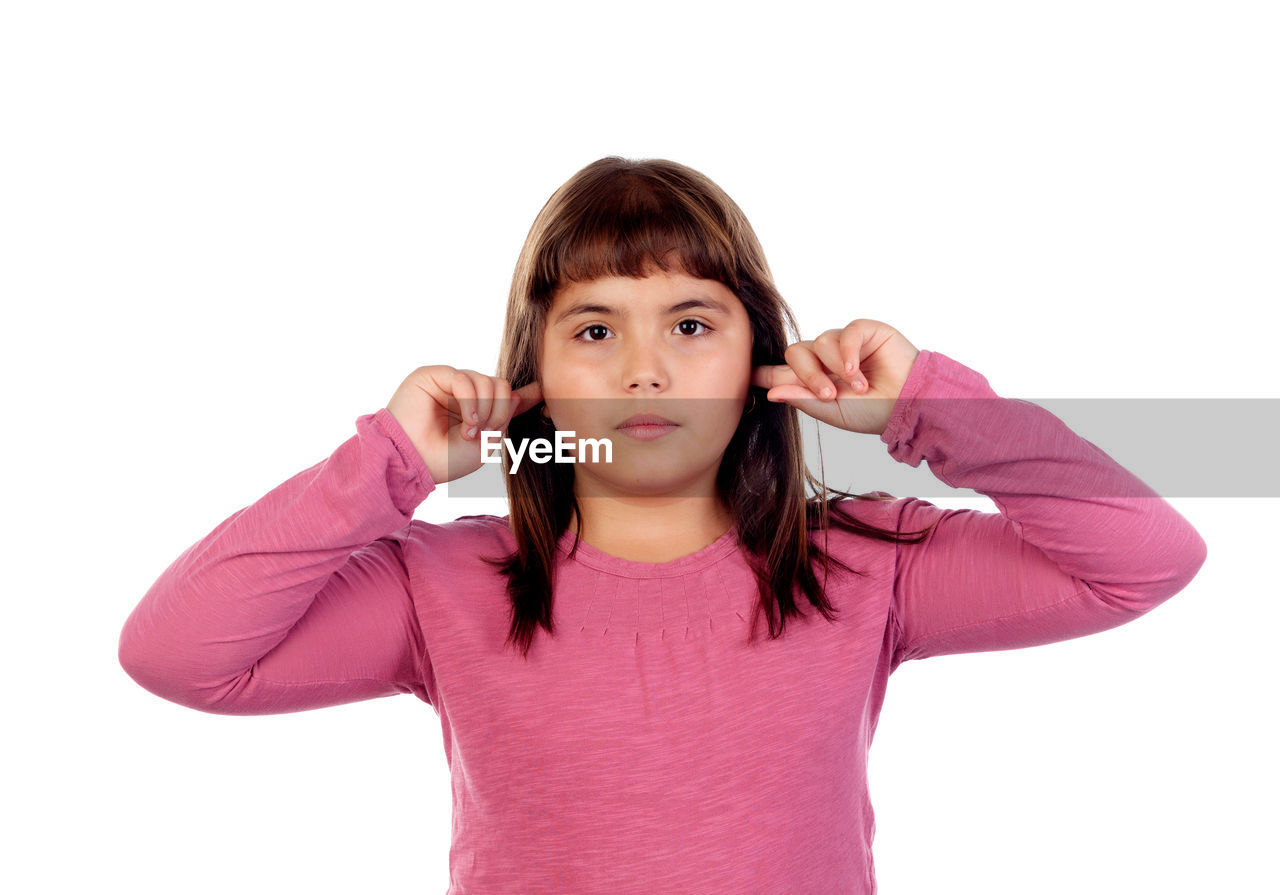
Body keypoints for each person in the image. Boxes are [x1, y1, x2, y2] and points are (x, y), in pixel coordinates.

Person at [117, 156, 1208, 894]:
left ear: (757, 355)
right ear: (531, 371)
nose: (644, 366)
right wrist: (388, 462)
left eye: (691, 321)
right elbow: (176, 654)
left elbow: (1144, 558)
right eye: (593, 327)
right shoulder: (439, 583)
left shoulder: (860, 561)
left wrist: (929, 405)